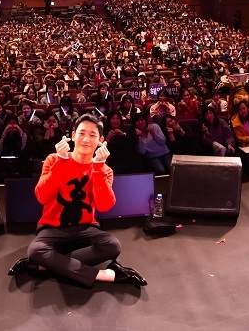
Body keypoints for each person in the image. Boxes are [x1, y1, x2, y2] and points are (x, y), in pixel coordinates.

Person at [8, 114, 146, 288]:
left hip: (86, 229)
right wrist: (61, 162)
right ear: (72, 136)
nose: (86, 139)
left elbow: (104, 205)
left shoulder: (104, 169)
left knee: (112, 246)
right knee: (36, 250)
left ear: (101, 140)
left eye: (92, 135)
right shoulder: (53, 159)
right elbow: (42, 196)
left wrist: (97, 168)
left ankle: (44, 266)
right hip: (52, 229)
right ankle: (107, 275)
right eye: (81, 133)